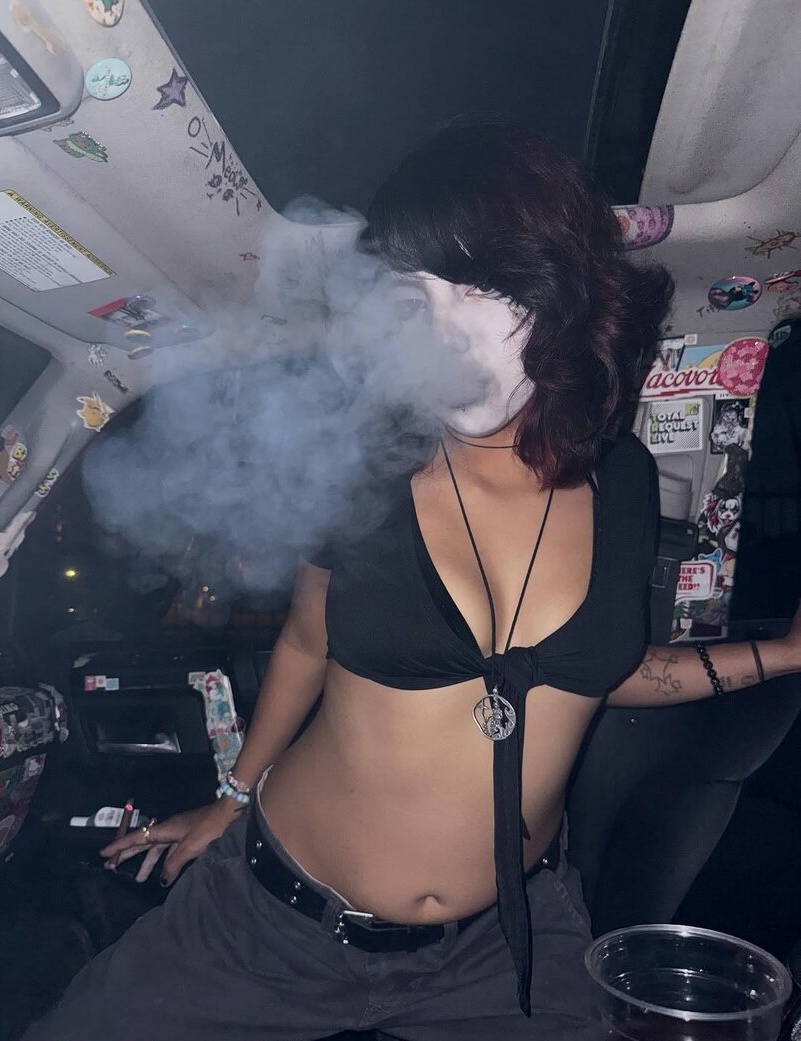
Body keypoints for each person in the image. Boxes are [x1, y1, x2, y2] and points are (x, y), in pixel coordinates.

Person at [24, 123, 801, 1041]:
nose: (438, 332)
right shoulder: (369, 464)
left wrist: (784, 652)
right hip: (276, 924)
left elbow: (602, 669)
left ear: (562, 293)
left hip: (507, 946)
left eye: (475, 286)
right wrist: (229, 800)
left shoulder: (620, 478)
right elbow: (307, 639)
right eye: (407, 297)